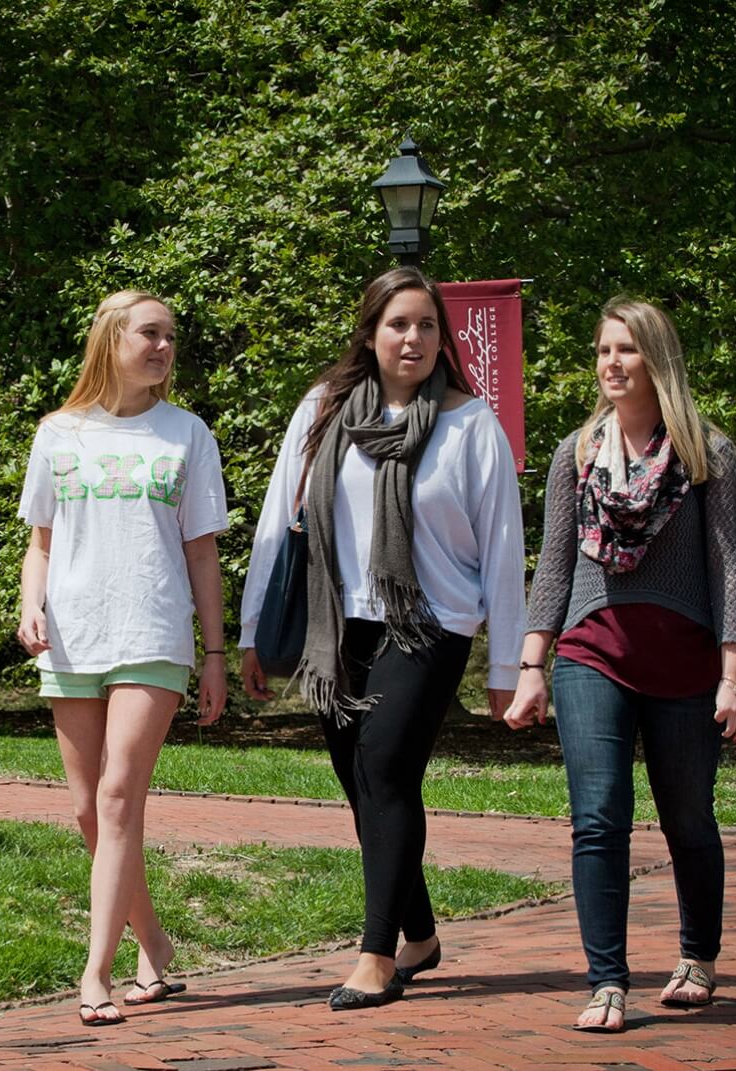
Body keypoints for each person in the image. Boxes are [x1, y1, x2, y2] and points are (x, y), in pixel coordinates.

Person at [239, 266, 526, 1011]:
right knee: (363, 784)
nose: (414, 338)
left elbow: (501, 546)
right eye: (399, 323)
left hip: (432, 621)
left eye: (427, 325)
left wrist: (510, 662)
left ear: (443, 337)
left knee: (385, 764)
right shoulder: (323, 410)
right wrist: (247, 633)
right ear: (370, 332)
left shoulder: (470, 423)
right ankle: (421, 934)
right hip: (338, 625)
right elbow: (279, 520)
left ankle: (376, 955)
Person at [503, 297, 736, 1033]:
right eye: (603, 350)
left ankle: (697, 957)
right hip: (592, 654)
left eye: (627, 350)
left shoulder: (710, 454)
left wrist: (734, 675)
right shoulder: (578, 453)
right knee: (599, 817)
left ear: (657, 359)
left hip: (685, 665)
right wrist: (531, 664)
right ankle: (607, 980)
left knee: (688, 820)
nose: (611, 363)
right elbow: (552, 567)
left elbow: (729, 569)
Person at [16, 290, 229, 1027]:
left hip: (153, 631)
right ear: (111, 338)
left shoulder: (187, 435)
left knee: (116, 798)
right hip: (74, 635)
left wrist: (214, 652)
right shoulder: (58, 433)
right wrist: (29, 603)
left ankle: (94, 974)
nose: (166, 347)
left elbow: (202, 549)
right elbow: (40, 539)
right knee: (87, 809)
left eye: (172, 336)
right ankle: (156, 943)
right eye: (151, 334)